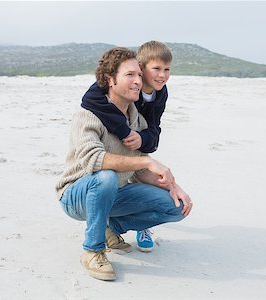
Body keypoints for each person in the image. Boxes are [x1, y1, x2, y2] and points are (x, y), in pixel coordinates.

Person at [55, 47, 192, 281]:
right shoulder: (88, 114)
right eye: (130, 75)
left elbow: (138, 169)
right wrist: (147, 160)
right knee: (106, 176)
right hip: (76, 195)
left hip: (114, 193)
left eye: (139, 75)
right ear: (110, 79)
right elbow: (94, 160)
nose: (138, 81)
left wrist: (171, 185)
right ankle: (92, 250)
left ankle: (111, 229)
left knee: (176, 206)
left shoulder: (135, 117)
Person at [80, 41, 172, 252]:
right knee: (113, 177)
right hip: (115, 139)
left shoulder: (160, 93)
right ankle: (99, 229)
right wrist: (124, 130)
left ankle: (137, 226)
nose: (162, 75)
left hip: (139, 141)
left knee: (146, 175)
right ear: (141, 67)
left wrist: (142, 139)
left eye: (167, 70)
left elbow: (154, 127)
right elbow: (90, 99)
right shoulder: (122, 83)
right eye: (156, 69)